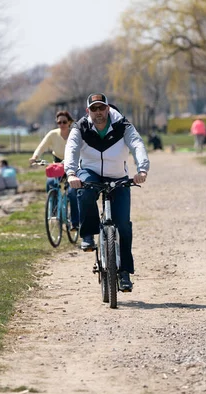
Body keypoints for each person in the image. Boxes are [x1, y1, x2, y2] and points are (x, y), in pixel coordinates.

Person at [65, 93, 150, 292]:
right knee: (84, 191)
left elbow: (137, 144)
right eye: (93, 109)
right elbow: (71, 148)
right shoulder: (80, 127)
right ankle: (88, 235)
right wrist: (70, 172)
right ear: (88, 111)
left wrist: (142, 169)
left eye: (101, 108)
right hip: (90, 172)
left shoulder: (122, 125)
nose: (98, 113)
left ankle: (124, 273)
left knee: (123, 225)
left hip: (117, 175)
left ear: (107, 108)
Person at [29, 110, 79, 231]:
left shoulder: (75, 134)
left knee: (72, 192)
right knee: (51, 183)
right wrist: (35, 157)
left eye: (64, 122)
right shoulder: (53, 134)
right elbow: (42, 146)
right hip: (58, 162)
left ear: (69, 122)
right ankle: (54, 213)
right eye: (59, 122)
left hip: (72, 163)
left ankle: (75, 222)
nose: (61, 125)